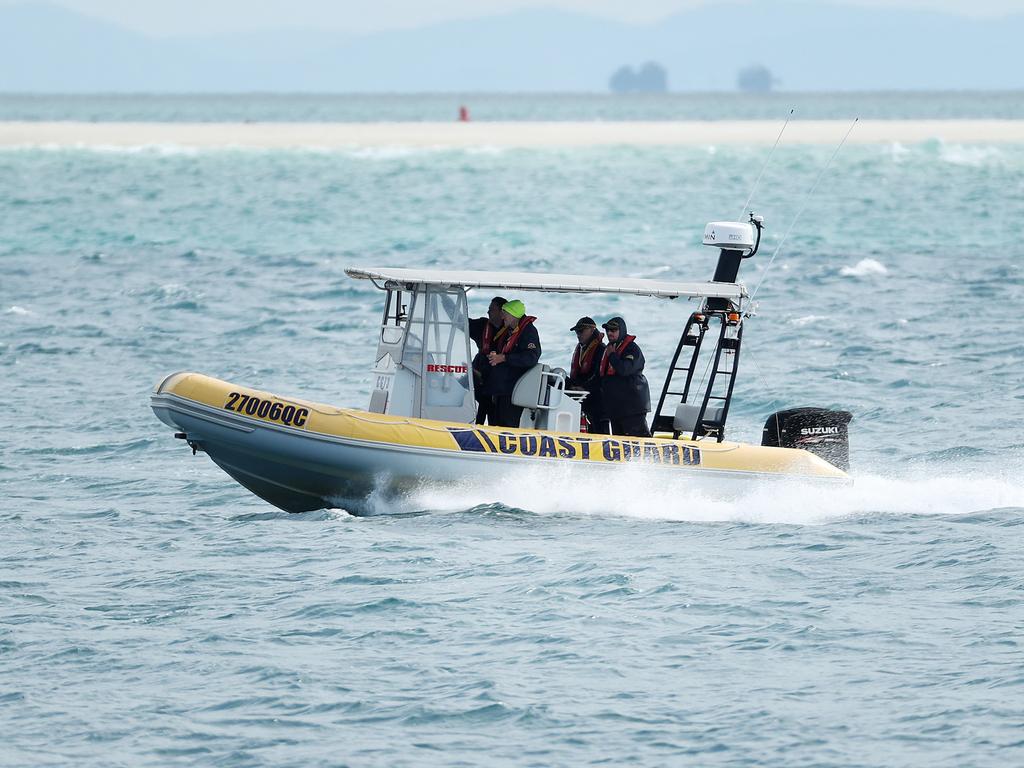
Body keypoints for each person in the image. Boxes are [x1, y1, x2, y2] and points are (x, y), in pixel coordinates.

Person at [486, 299, 541, 428]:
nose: (502, 316)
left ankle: (507, 448)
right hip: (503, 388)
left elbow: (531, 357)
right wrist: (496, 356)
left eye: (504, 313)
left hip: (514, 388)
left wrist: (504, 358)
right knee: (497, 423)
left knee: (508, 424)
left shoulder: (528, 331)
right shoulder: (509, 331)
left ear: (513, 314)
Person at [599, 316, 651, 437]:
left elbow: (624, 369)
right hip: (617, 408)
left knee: (639, 438)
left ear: (621, 330)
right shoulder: (611, 348)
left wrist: (612, 355)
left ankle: (648, 456)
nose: (610, 333)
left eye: (613, 330)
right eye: (608, 330)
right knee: (620, 440)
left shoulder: (632, 349)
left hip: (632, 407)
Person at [468, 295, 508, 424]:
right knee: (483, 398)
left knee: (492, 406)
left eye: (491, 309)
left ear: (502, 312)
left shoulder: (511, 330)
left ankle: (487, 429)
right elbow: (462, 322)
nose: (488, 312)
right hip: (480, 374)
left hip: (499, 380)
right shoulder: (481, 326)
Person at [566, 316, 609, 434]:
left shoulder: (601, 349)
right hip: (585, 398)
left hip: (598, 399)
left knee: (601, 430)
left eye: (581, 331)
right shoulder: (581, 349)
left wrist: (583, 388)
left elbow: (598, 375)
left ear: (592, 330)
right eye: (576, 332)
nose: (578, 334)